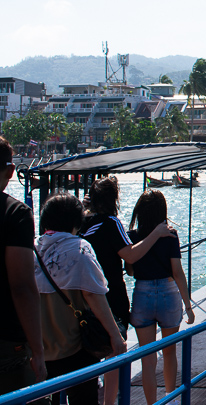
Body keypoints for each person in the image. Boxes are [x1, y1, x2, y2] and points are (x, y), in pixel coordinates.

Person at [81, 176, 175, 405]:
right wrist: (156, 233)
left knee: (86, 356)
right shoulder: (111, 223)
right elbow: (130, 255)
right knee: (115, 353)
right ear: (114, 198)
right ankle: (109, 403)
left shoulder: (81, 224)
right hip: (111, 297)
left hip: (82, 299)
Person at [35, 193, 126, 404]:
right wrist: (115, 335)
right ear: (76, 221)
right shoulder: (79, 248)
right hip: (74, 346)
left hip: (40, 348)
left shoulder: (33, 249)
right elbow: (94, 295)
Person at [126, 190, 194, 405]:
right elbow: (177, 272)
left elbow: (129, 270)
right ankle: (171, 399)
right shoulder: (170, 234)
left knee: (147, 358)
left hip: (142, 293)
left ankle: (150, 403)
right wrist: (188, 305)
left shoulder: (132, 236)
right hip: (168, 293)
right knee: (170, 352)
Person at [0, 136, 46, 395]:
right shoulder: (14, 213)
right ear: (10, 171)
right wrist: (38, 350)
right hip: (7, 339)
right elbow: (22, 286)